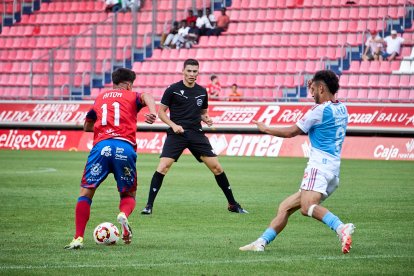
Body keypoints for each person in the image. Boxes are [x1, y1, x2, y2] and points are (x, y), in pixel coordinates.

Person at [239, 70, 355, 254]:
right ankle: (260, 242)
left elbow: (292, 132)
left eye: (314, 89)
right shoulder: (342, 108)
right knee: (285, 207)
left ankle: (341, 227)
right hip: (333, 170)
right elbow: (321, 113)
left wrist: (265, 128)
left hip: (319, 167)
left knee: (306, 207)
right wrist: (315, 86)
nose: (311, 93)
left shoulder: (318, 111)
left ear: (322, 88)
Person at [64, 68, 157, 249]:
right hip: (124, 147)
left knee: (86, 192)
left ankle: (78, 238)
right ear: (129, 84)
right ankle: (123, 214)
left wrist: (102, 128)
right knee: (128, 193)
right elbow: (146, 95)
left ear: (113, 82)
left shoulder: (100, 98)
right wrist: (152, 111)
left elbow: (87, 126)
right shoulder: (132, 96)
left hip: (102, 147)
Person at [140, 59, 248, 215]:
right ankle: (149, 205)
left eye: (194, 71)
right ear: (183, 71)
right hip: (177, 134)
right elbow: (161, 112)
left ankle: (232, 204)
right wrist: (173, 125)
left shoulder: (202, 91)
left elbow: (202, 113)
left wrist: (207, 119)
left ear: (198, 72)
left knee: (217, 168)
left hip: (196, 133)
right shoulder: (173, 89)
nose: (192, 74)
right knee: (163, 166)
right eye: (189, 71)